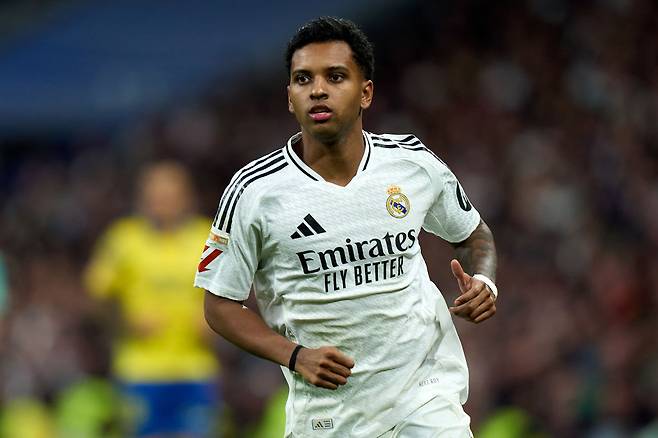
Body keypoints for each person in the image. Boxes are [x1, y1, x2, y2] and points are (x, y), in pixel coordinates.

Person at [196, 17, 498, 437]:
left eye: (335, 77)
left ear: (366, 92)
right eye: (303, 79)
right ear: (290, 98)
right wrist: (295, 356)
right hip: (330, 415)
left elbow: (473, 234)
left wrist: (484, 280)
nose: (317, 90)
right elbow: (219, 305)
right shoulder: (254, 192)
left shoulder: (412, 164)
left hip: (425, 398)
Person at [85, 162, 220, 438]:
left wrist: (214, 320)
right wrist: (124, 322)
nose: (163, 204)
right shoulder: (123, 239)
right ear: (142, 199)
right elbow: (96, 297)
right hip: (140, 369)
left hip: (195, 368)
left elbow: (235, 289)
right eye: (156, 197)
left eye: (170, 196)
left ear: (187, 197)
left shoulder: (208, 237)